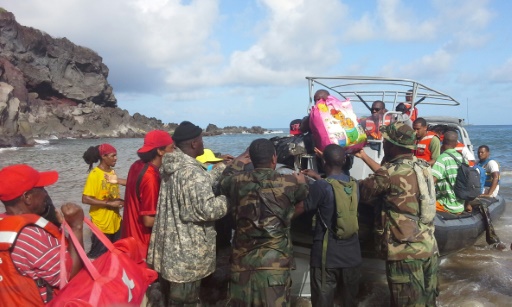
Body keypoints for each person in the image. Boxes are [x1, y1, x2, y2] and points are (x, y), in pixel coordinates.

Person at [355, 123, 439, 307]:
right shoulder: (423, 167)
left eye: (386, 141)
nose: (383, 143)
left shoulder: (389, 173)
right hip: (428, 247)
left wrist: (321, 179)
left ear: (392, 145)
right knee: (427, 302)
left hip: (404, 251)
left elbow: (361, 191)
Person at [147, 121, 229, 306]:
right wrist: (229, 199)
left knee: (169, 300)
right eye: (201, 140)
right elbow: (207, 209)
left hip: (170, 253)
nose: (203, 143)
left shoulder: (173, 167)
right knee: (185, 302)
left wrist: (222, 168)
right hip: (186, 258)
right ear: (193, 143)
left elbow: (196, 186)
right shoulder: (191, 173)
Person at [220, 138, 309, 306]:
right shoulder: (288, 183)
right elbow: (303, 196)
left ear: (251, 159)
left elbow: (222, 181)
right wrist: (302, 182)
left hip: (242, 264)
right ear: (274, 158)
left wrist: (238, 162)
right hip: (274, 265)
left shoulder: (236, 182)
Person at [0, 164, 84, 305]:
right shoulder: (31, 236)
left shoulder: (5, 225)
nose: (46, 194)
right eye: (41, 189)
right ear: (27, 197)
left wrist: (54, 224)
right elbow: (69, 277)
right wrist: (76, 227)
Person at [302, 144, 361, 307]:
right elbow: (335, 189)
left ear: (323, 163)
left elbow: (302, 208)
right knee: (350, 302)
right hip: (352, 257)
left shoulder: (320, 187)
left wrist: (301, 183)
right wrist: (319, 178)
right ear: (344, 162)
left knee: (323, 302)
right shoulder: (354, 185)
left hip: (327, 258)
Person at [120, 130, 175, 260]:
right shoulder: (151, 177)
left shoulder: (136, 165)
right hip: (143, 244)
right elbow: (148, 221)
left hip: (129, 237)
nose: (174, 152)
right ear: (160, 151)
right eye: (172, 148)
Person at [82, 143, 124, 259]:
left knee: (117, 255)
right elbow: (85, 199)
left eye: (116, 155)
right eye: (113, 155)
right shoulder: (95, 175)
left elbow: (111, 195)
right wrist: (109, 203)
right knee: (99, 258)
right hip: (101, 223)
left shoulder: (112, 172)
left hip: (116, 221)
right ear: (104, 157)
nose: (116, 158)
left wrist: (122, 202)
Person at [431, 130, 465, 214]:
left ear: (442, 142)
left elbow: (431, 180)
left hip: (447, 204)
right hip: (461, 205)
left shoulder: (442, 158)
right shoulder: (463, 159)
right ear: (456, 144)